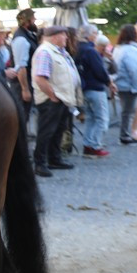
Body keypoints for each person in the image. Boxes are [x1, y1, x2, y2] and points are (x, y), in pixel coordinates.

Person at [31, 26, 80, 177]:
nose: (66, 38)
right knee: (47, 132)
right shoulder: (45, 52)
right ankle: (40, 163)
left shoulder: (59, 52)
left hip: (62, 99)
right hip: (51, 100)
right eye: (64, 35)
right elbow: (40, 78)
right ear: (54, 37)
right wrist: (52, 96)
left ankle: (54, 159)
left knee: (58, 130)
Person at [75, 24, 115, 157]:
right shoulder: (91, 51)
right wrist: (109, 82)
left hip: (84, 88)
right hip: (95, 88)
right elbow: (100, 71)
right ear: (89, 35)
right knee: (102, 119)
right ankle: (95, 145)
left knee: (91, 118)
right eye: (95, 33)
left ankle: (88, 145)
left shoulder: (77, 49)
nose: (97, 36)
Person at [10, 5, 39, 122]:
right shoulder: (21, 39)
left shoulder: (28, 35)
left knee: (25, 116)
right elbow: (21, 67)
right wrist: (25, 89)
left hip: (28, 82)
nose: (35, 20)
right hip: (22, 84)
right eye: (33, 18)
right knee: (22, 117)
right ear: (27, 22)